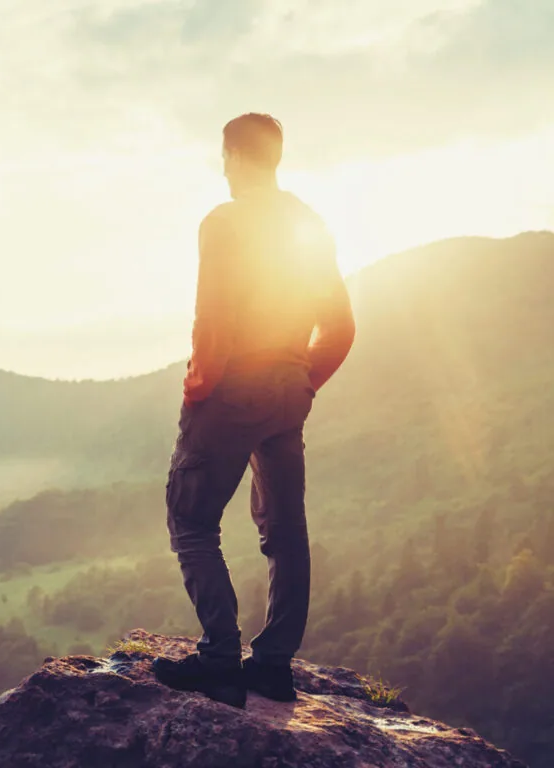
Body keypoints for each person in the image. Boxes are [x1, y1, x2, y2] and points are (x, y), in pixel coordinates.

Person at [151, 113, 356, 709]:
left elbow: (212, 319)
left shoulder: (225, 221)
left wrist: (197, 388)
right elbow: (341, 325)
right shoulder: (308, 222)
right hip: (289, 388)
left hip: (231, 387)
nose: (222, 168)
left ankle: (219, 659)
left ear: (236, 156)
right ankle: (272, 667)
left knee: (190, 519)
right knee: (286, 528)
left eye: (223, 157)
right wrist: (302, 381)